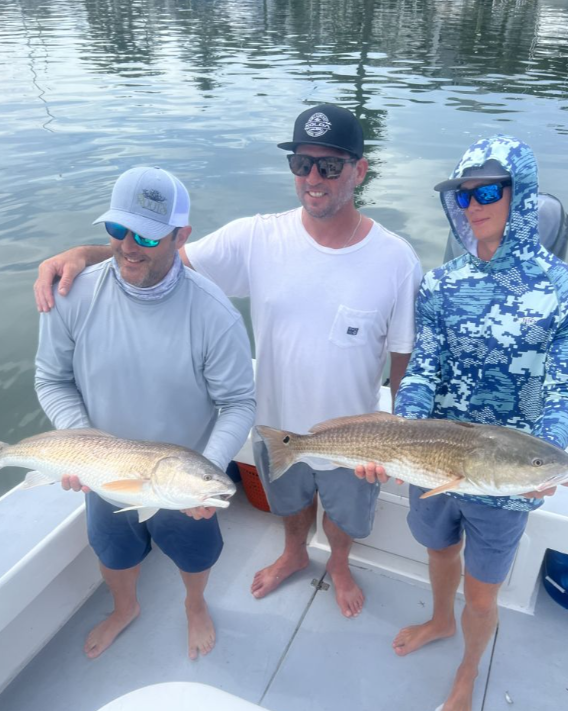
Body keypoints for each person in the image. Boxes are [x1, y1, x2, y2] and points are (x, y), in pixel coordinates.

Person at [33, 104, 423, 619]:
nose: (312, 178)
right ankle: (293, 553)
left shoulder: (396, 260)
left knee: (346, 516)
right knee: (289, 505)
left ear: (359, 170)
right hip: (276, 425)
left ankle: (341, 564)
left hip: (358, 432)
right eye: (301, 163)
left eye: (329, 166)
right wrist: (84, 255)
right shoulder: (257, 237)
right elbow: (155, 253)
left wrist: (399, 436)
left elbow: (404, 358)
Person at [356, 135, 568, 711]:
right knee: (438, 551)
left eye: (488, 190)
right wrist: (395, 438)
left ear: (524, 193)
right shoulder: (441, 285)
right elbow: (421, 372)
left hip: (507, 476)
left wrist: (549, 457)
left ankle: (466, 673)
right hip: (432, 457)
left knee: (485, 592)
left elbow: (565, 396)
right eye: (462, 194)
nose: (473, 204)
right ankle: (440, 619)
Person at [35, 166, 256, 659]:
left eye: (148, 234)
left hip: (183, 474)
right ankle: (125, 606)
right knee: (111, 549)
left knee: (195, 553)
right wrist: (82, 443)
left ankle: (195, 605)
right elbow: (51, 379)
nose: (129, 246)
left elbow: (238, 402)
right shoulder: (72, 297)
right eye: (117, 229)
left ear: (182, 236)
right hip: (101, 473)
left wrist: (209, 469)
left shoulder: (214, 314)